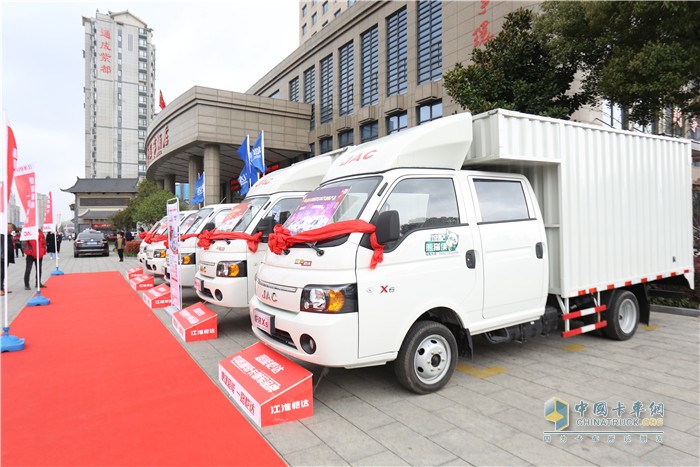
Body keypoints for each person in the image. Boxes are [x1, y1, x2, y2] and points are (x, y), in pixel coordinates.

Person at [1, 224, 16, 296]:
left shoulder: (10, 236)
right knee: (1, 273)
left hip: (7, 257)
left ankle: (2, 288)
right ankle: (0, 289)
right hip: (1, 257)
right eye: (10, 228)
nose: (12, 229)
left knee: (4, 273)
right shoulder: (1, 236)